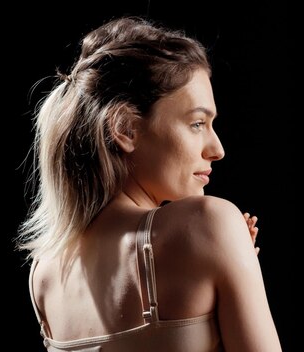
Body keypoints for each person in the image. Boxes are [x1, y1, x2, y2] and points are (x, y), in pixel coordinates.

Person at [17, 17, 282, 352]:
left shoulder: (44, 273)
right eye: (197, 123)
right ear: (126, 128)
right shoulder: (208, 222)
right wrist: (228, 250)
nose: (217, 150)